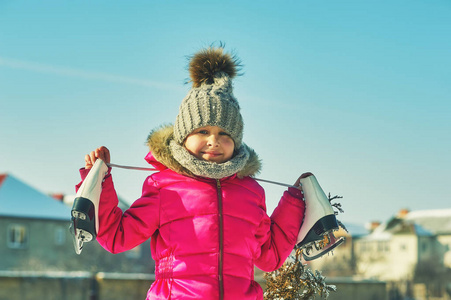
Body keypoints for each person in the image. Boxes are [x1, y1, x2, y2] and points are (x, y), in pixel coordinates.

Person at [78, 46, 309, 300]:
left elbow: (270, 255)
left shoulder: (251, 193)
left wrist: (295, 201)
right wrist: (99, 182)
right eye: (202, 132)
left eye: (224, 134)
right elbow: (116, 236)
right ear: (183, 136)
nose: (214, 141)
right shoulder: (164, 188)